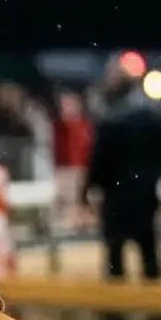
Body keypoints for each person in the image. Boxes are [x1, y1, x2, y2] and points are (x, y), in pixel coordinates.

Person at [85, 72, 161, 281]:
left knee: (115, 255)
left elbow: (99, 159)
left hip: (116, 195)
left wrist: (88, 187)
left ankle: (115, 310)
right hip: (145, 193)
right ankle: (156, 306)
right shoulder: (155, 119)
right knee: (149, 252)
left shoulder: (110, 120)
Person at [51, 90, 94, 232]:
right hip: (65, 169)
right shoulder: (59, 127)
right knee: (68, 200)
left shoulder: (85, 125)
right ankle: (72, 226)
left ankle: (83, 223)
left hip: (82, 168)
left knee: (84, 199)